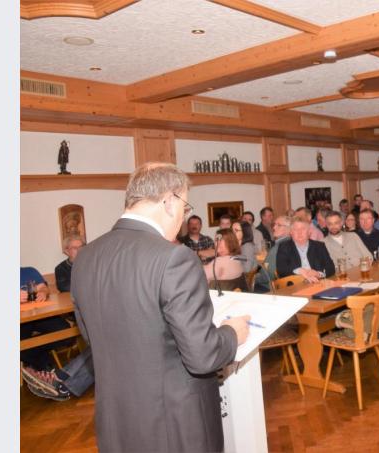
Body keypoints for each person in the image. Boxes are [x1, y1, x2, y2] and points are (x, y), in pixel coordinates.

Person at [71, 162, 249, 452]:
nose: (183, 218)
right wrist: (231, 332)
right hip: (174, 422)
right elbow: (201, 355)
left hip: (117, 418)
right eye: (185, 207)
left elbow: (93, 337)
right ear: (169, 201)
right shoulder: (173, 258)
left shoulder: (86, 257)